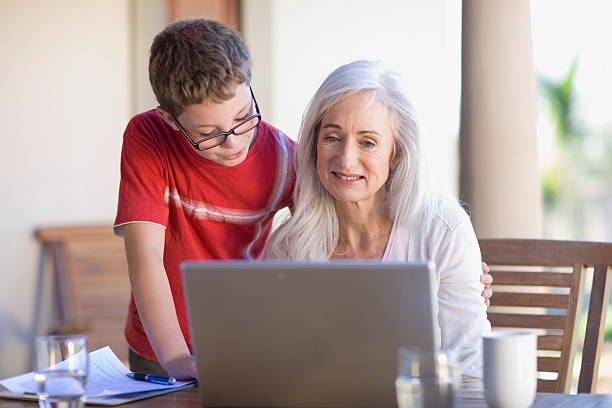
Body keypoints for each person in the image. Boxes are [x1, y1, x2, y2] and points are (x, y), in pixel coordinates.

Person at [114, 19, 492, 380]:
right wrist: (178, 356)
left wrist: (457, 275)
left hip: (244, 348)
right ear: (169, 119)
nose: (233, 143)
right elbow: (145, 254)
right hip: (165, 345)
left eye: (244, 117)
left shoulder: (284, 159)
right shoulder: (150, 138)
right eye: (208, 133)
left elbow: (348, 208)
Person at [265, 60, 491, 379]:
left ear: (395, 153)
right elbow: (279, 366)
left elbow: (471, 367)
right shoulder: (290, 243)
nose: (346, 159)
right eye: (332, 137)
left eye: (367, 142)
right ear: (314, 144)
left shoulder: (441, 228)